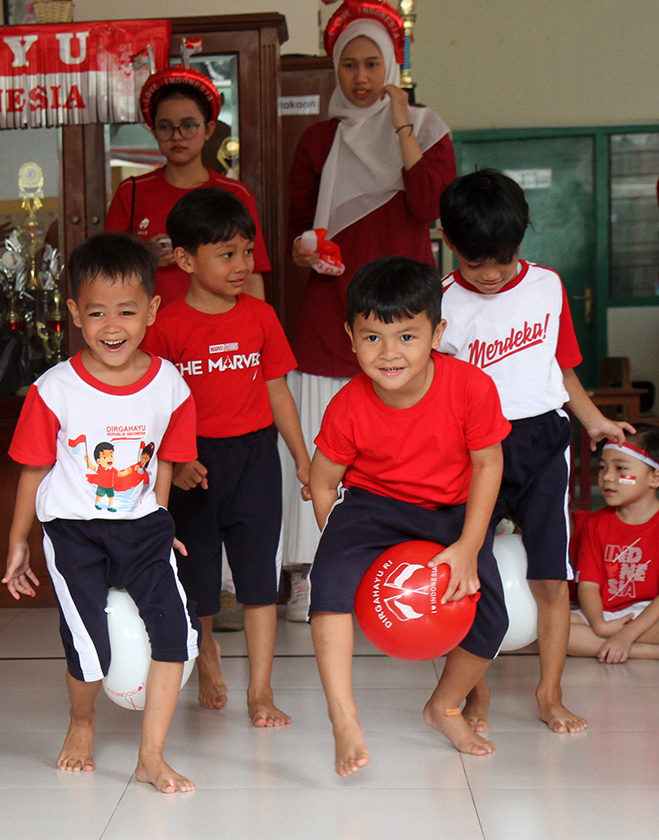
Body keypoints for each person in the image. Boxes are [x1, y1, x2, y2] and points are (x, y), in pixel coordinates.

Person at [3, 232, 200, 794]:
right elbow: (32, 471)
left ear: (152, 312)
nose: (112, 326)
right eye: (96, 312)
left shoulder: (171, 386)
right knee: (90, 645)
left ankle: (151, 756)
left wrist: (160, 523)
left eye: (127, 311)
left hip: (143, 531)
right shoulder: (54, 390)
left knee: (176, 635)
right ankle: (82, 721)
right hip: (73, 534)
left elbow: (164, 463)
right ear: (74, 315)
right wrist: (20, 541)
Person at [437, 168, 633, 734]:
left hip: (544, 444)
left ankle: (549, 695)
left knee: (551, 579)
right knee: (466, 573)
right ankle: (474, 690)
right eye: (477, 263)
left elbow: (562, 364)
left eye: (504, 257)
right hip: (475, 452)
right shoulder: (443, 304)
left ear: (522, 237)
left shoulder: (547, 285)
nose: (493, 274)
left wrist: (594, 421)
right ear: (450, 244)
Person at [282, 4, 455, 621]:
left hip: (404, 305)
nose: (360, 77)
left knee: (402, 431)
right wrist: (306, 249)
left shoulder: (429, 128)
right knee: (325, 430)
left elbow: (429, 201)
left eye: (372, 63)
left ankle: (400, 561)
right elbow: (299, 222)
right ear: (336, 68)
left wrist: (402, 123)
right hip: (334, 302)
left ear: (392, 65)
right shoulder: (318, 138)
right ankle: (310, 568)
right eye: (349, 64)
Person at [308, 256, 510, 776]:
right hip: (374, 505)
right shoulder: (347, 406)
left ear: (437, 333)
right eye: (372, 337)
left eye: (407, 336)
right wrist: (343, 553)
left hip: (451, 510)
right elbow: (324, 480)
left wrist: (468, 547)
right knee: (325, 587)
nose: (390, 353)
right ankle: (343, 717)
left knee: (492, 618)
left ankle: (442, 706)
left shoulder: (470, 387)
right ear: (350, 336)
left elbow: (489, 465)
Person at [141, 188, 310, 721]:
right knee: (198, 580)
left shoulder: (260, 317)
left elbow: (279, 391)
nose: (242, 265)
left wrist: (302, 459)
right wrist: (177, 457)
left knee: (261, 579)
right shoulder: (165, 325)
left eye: (245, 251)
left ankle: (261, 690)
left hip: (257, 458)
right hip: (195, 466)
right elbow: (156, 403)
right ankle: (208, 653)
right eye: (226, 254)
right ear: (186, 259)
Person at [105, 65, 271, 308]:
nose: (177, 136)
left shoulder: (234, 194)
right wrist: (146, 255)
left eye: (189, 125)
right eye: (165, 127)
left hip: (219, 331)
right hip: (149, 328)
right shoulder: (131, 192)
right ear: (154, 131)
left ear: (208, 130)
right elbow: (107, 267)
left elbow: (252, 275)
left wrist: (258, 333)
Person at [568, 425, 659, 661]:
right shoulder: (595, 523)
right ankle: (648, 652)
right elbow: (588, 585)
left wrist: (627, 635)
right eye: (603, 468)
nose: (607, 477)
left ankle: (621, 645)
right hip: (608, 615)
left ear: (655, 477)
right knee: (552, 626)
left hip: (651, 614)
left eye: (620, 468)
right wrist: (599, 625)